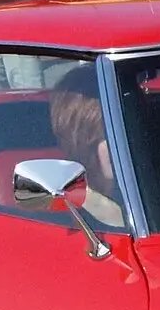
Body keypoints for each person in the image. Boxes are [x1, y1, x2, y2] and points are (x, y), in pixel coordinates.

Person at [49, 71, 127, 230]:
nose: (121, 144)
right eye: (107, 135)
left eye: (126, 131)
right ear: (81, 140)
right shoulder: (63, 214)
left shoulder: (148, 197)